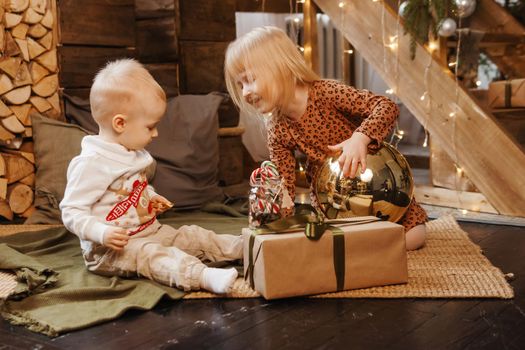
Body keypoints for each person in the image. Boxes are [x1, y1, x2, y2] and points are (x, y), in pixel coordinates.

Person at [224, 26, 427, 250]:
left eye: (249, 80)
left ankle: (378, 246)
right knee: (339, 242)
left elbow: (385, 106)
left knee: (413, 237)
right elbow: (284, 186)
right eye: (240, 85)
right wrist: (274, 218)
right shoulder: (277, 128)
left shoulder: (325, 93)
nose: (244, 93)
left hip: (376, 185)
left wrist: (360, 138)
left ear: (280, 67)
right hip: (334, 201)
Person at [60, 59, 242, 293]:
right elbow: (71, 211)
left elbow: (135, 188)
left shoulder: (133, 154)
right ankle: (201, 276)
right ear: (120, 123)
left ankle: (244, 249)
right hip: (110, 250)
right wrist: (101, 233)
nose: (156, 133)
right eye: (150, 126)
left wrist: (150, 196)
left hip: (150, 231)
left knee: (192, 236)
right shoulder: (91, 164)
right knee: (152, 256)